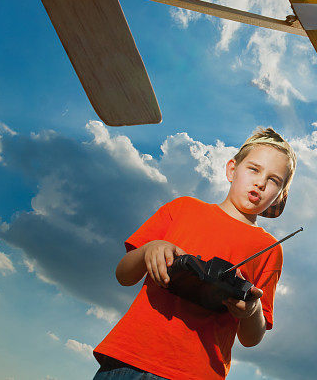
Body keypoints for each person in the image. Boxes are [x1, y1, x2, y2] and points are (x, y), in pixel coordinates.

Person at [92, 127, 297, 379]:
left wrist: (251, 309)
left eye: (274, 180)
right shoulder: (182, 208)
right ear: (232, 169)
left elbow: (251, 338)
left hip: (197, 373)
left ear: (280, 196)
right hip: (129, 358)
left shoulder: (270, 250)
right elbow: (123, 275)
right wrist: (150, 248)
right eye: (253, 169)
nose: (261, 182)